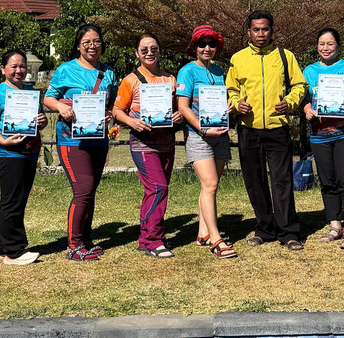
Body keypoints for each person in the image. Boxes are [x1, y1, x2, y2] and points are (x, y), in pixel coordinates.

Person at [226, 10, 307, 251]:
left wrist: (291, 103)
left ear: (272, 30)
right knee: (255, 181)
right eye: (256, 29)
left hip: (277, 129)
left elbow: (300, 85)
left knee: (282, 181)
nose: (261, 34)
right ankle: (264, 228)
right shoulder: (238, 58)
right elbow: (231, 88)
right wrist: (237, 102)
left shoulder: (285, 56)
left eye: (265, 29)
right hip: (248, 128)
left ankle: (289, 232)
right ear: (248, 32)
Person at [43, 24, 116, 262]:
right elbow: (48, 98)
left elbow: (113, 104)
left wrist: (110, 114)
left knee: (90, 191)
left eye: (96, 42)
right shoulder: (65, 70)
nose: (92, 46)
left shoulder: (109, 73)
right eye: (86, 42)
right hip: (70, 139)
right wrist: (61, 107)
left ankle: (86, 239)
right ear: (78, 46)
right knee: (82, 190)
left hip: (97, 138)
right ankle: (74, 245)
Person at [112, 33, 182, 258]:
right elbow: (117, 110)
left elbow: (176, 108)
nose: (149, 53)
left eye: (154, 48)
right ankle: (153, 240)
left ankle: (146, 236)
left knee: (155, 190)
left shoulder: (170, 79)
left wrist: (178, 115)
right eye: (144, 50)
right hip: (143, 143)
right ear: (137, 54)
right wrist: (131, 121)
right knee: (158, 187)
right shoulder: (130, 80)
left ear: (160, 51)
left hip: (166, 142)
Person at [302, 28, 344, 250]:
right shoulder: (309, 71)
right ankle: (334, 225)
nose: (325, 48)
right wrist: (306, 109)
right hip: (320, 135)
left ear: (338, 46)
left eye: (330, 44)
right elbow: (304, 97)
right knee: (328, 181)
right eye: (321, 44)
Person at [0, 50, 47, 265]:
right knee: (12, 201)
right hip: (10, 154)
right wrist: (3, 141)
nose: (18, 70)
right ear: (3, 69)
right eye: (13, 66)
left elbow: (38, 121)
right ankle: (14, 252)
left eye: (22, 66)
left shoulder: (31, 93)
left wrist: (42, 121)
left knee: (16, 200)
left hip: (29, 152)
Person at [176, 24, 237, 259]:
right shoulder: (187, 71)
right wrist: (202, 129)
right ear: (194, 47)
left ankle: (202, 232)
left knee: (211, 185)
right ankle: (216, 239)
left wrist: (228, 108)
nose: (207, 48)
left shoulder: (220, 71)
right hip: (199, 136)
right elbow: (182, 106)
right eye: (202, 44)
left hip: (220, 135)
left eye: (211, 44)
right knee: (210, 184)